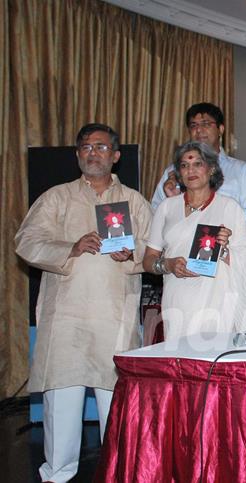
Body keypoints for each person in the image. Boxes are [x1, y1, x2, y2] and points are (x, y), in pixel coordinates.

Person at [15, 123, 152, 483]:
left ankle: (117, 473)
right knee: (62, 402)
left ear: (116, 156)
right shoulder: (56, 197)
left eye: (102, 147)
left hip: (114, 316)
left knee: (116, 406)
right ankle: (57, 475)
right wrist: (69, 248)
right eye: (87, 147)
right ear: (77, 155)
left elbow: (155, 251)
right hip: (67, 318)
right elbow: (26, 242)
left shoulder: (135, 202)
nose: (94, 153)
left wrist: (132, 255)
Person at [143, 141, 246, 340]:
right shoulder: (166, 207)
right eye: (184, 165)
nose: (191, 170)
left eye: (198, 164)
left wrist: (224, 251)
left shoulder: (229, 208)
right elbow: (148, 260)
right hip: (178, 301)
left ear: (212, 168)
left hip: (218, 303)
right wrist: (168, 265)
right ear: (179, 173)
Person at [150, 102, 246, 211]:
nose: (198, 130)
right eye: (193, 125)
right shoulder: (174, 171)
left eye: (206, 124)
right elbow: (155, 213)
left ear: (220, 129)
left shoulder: (241, 171)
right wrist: (174, 200)